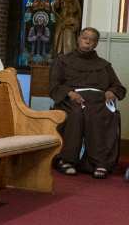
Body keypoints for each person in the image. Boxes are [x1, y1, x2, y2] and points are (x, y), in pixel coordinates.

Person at [50, 28, 124, 179]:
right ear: (78, 39)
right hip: (71, 100)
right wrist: (70, 93)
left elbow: (118, 87)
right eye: (85, 38)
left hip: (97, 101)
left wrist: (111, 92)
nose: (87, 42)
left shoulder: (104, 65)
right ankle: (66, 160)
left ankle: (100, 163)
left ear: (96, 44)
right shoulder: (62, 60)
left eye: (91, 40)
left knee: (98, 116)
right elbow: (54, 85)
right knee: (75, 114)